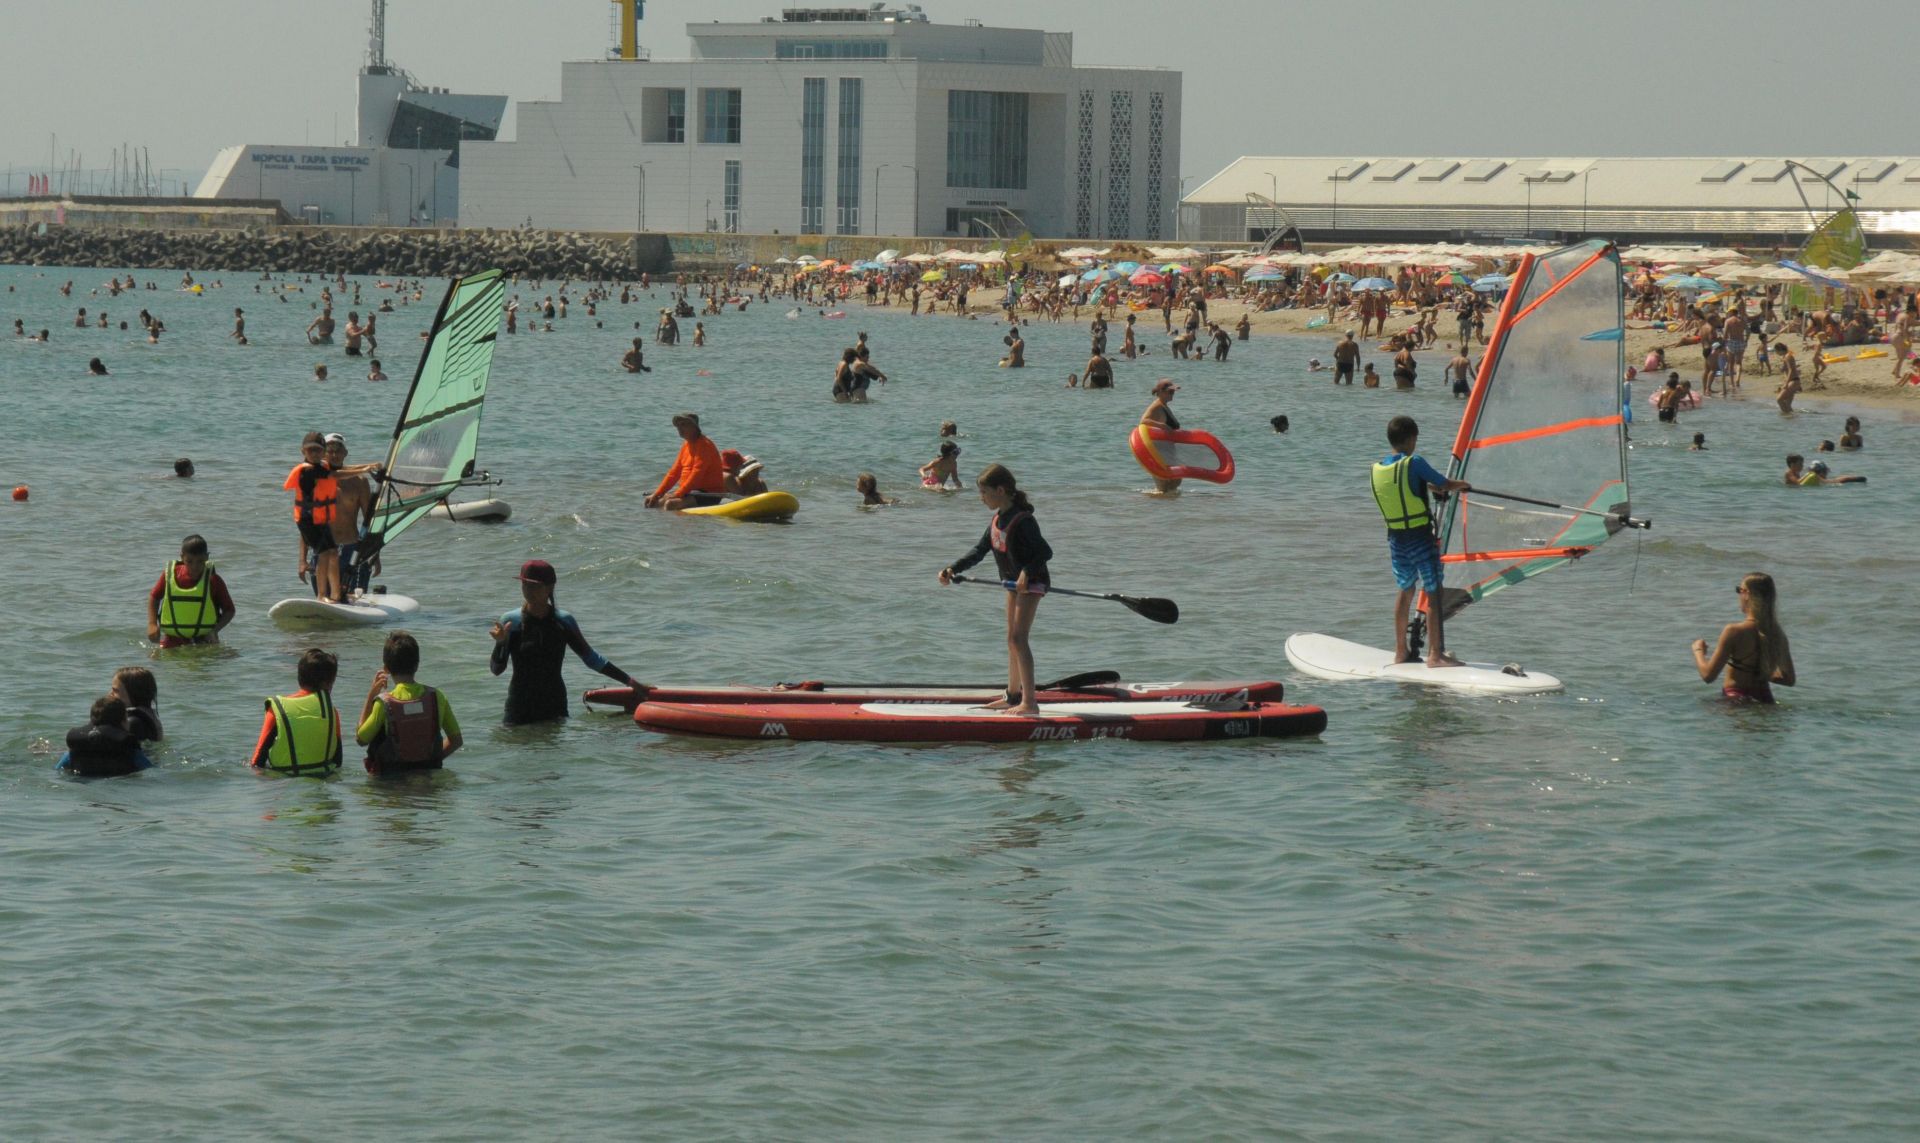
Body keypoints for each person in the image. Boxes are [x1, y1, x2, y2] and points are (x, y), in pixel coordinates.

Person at [937, 464, 1052, 715]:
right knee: (1011, 639)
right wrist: (952, 568)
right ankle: (1012, 696)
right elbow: (979, 551)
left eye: (984, 493)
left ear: (1001, 490)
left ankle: (1030, 703)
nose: (981, 498)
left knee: (1019, 638)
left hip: (1031, 583)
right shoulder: (998, 519)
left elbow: (1045, 552)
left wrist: (1026, 572)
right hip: (1012, 584)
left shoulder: (1024, 520)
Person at [489, 560, 642, 725]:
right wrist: (501, 643)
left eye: (535, 586)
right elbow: (496, 670)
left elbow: (591, 659)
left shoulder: (563, 621)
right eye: (525, 585)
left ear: (550, 587)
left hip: (555, 706)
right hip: (518, 709)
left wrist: (631, 682)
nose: (528, 590)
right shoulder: (511, 621)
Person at [1373, 415, 1470, 667]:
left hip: (1396, 539)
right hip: (1419, 537)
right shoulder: (1414, 462)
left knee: (1406, 589)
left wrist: (1428, 488)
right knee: (1433, 589)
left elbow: (1406, 489)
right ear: (1411, 438)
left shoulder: (1380, 468)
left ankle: (1400, 651)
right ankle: (1436, 655)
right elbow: (1445, 483)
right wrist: (1462, 485)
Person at [357, 631, 462, 774]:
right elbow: (456, 741)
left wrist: (371, 696)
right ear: (417, 665)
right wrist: (432, 761)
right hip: (429, 782)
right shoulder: (437, 697)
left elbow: (361, 739)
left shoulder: (384, 703)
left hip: (392, 786)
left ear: (386, 669)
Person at [1692, 572, 1795, 704]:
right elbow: (1789, 680)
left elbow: (1708, 676)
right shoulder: (1778, 634)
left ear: (1746, 594)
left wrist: (1698, 651)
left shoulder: (1734, 631)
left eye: (1738, 590)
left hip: (1736, 698)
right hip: (1766, 699)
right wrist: (1762, 671)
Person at [249, 649, 344, 776]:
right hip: (321, 782)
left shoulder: (277, 709)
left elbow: (257, 761)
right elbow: (338, 761)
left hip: (284, 784)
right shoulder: (331, 712)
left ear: (299, 677)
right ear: (329, 684)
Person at [147, 533, 235, 647]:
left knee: (232, 656)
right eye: (189, 561)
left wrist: (214, 631)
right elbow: (154, 597)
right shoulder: (170, 576)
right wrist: (152, 624)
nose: (195, 567)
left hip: (204, 641)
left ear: (207, 557)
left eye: (200, 561)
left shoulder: (213, 580)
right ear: (182, 557)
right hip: (172, 640)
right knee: (152, 660)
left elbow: (229, 610)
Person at [285, 431, 343, 602]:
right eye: (310, 450)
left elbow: (341, 470)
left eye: (318, 450)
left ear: (323, 452)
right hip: (307, 520)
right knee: (324, 554)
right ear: (303, 451)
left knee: (333, 553)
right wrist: (367, 469)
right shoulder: (308, 471)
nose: (314, 453)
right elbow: (337, 475)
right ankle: (321, 595)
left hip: (320, 518)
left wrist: (366, 467)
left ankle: (336, 594)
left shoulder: (322, 466)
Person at [325, 434, 378, 595]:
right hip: (324, 549)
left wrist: (375, 552)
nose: (334, 455)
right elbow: (306, 522)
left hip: (353, 548)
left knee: (355, 599)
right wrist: (302, 560)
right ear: (323, 454)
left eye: (338, 451)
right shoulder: (316, 480)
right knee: (325, 598)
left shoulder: (359, 481)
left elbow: (370, 520)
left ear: (345, 453)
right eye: (330, 451)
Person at [58, 694, 153, 777]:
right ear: (123, 721)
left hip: (82, 780)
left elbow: (58, 768)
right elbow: (150, 769)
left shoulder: (75, 749)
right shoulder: (131, 750)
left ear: (91, 721)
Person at [645, 412, 725, 510]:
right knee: (653, 503)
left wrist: (678, 494)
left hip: (709, 494)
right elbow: (674, 473)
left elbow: (696, 474)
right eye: (678, 425)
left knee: (670, 504)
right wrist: (657, 493)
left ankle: (681, 524)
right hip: (689, 492)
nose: (679, 428)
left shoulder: (705, 445)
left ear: (694, 427)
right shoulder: (686, 445)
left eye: (683, 424)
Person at [1139, 379, 1182, 494]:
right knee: (1163, 488)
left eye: (1173, 392)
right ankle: (1157, 508)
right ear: (1161, 392)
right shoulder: (1156, 406)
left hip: (1168, 451)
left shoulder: (1164, 405)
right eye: (1170, 392)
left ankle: (1164, 509)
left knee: (1175, 483)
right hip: (1159, 453)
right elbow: (1143, 421)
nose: (1173, 394)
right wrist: (1162, 426)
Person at [113, 666, 163, 742]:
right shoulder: (143, 716)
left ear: (133, 693)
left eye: (115, 691)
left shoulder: (133, 722)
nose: (110, 694)